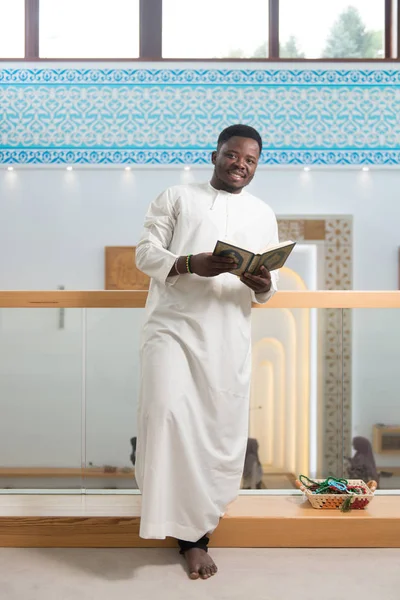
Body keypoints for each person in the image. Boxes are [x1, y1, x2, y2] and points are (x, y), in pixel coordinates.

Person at [135, 124, 279, 580]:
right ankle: (188, 539)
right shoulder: (175, 196)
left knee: (217, 432)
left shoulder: (262, 212)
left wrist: (263, 283)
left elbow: (267, 288)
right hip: (173, 328)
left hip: (227, 337)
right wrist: (186, 263)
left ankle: (198, 527)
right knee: (166, 415)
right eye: (233, 155)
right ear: (216, 154)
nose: (241, 164)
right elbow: (144, 253)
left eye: (251, 160)